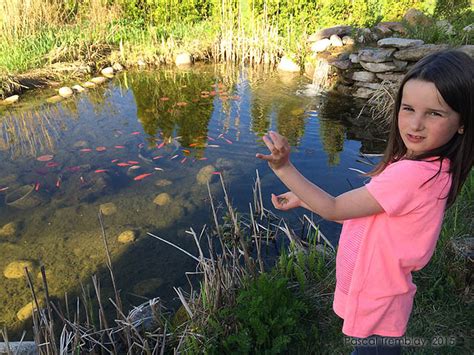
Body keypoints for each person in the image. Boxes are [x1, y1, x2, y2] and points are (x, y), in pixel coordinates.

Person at [256, 49, 474, 354]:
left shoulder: (413, 175)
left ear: (463, 122)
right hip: (384, 298)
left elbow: (334, 209)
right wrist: (304, 200)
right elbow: (368, 213)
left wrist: (283, 168)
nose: (415, 124)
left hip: (376, 302)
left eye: (434, 113)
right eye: (408, 108)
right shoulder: (433, 167)